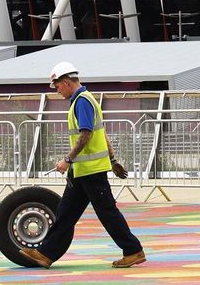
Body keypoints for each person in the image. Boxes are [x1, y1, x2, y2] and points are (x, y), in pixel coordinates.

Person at [19, 61, 145, 269]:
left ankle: (133, 251)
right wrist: (112, 160)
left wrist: (67, 159)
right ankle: (45, 254)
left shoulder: (82, 102)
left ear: (67, 82)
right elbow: (101, 133)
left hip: (91, 172)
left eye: (57, 86)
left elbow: (86, 134)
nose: (57, 90)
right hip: (81, 172)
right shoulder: (83, 100)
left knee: (107, 213)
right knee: (66, 213)